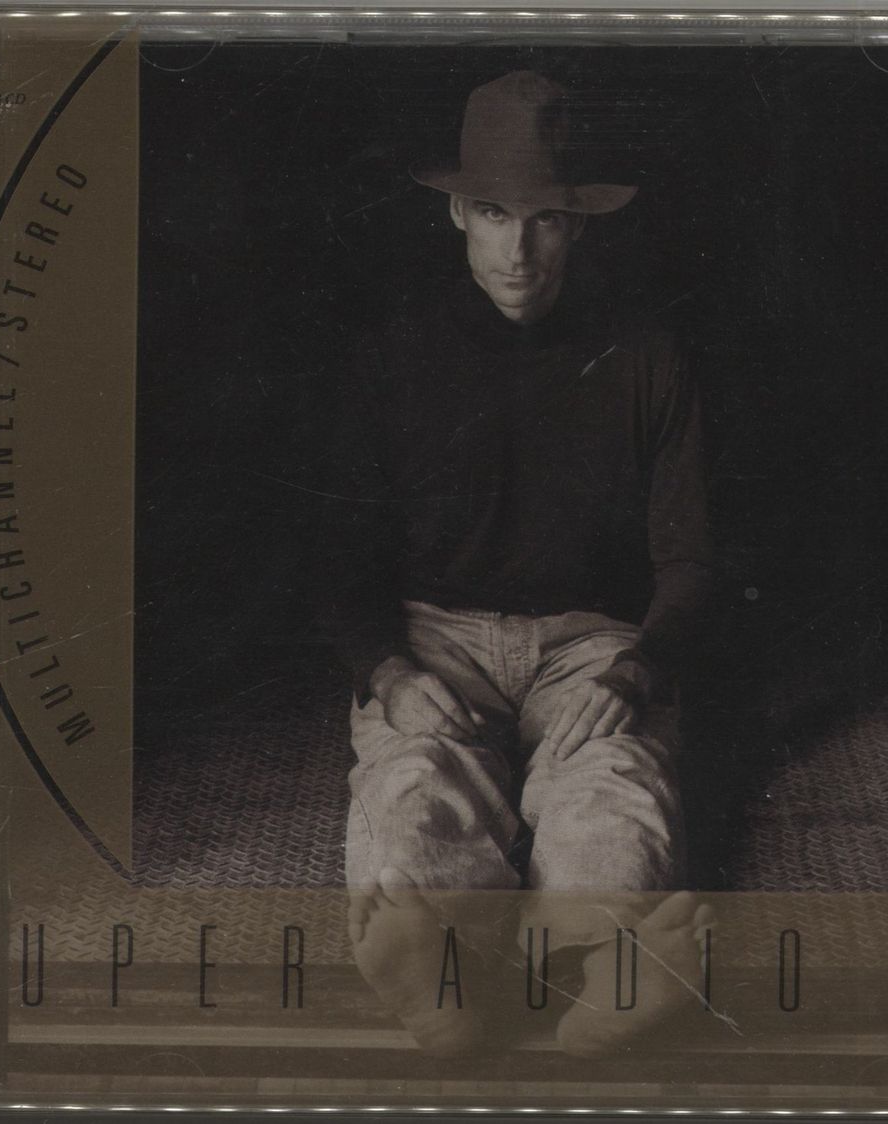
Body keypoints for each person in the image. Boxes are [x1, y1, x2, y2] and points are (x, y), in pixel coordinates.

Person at [322, 70, 714, 1056]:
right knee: (414, 789)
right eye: (495, 214)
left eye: (543, 219)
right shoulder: (391, 351)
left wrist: (636, 671)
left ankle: (605, 973)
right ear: (458, 212)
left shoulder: (647, 353)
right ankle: (442, 982)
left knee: (611, 790)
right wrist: (388, 673)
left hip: (592, 641)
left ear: (578, 224)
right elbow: (336, 557)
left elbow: (692, 557)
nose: (518, 249)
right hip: (434, 639)